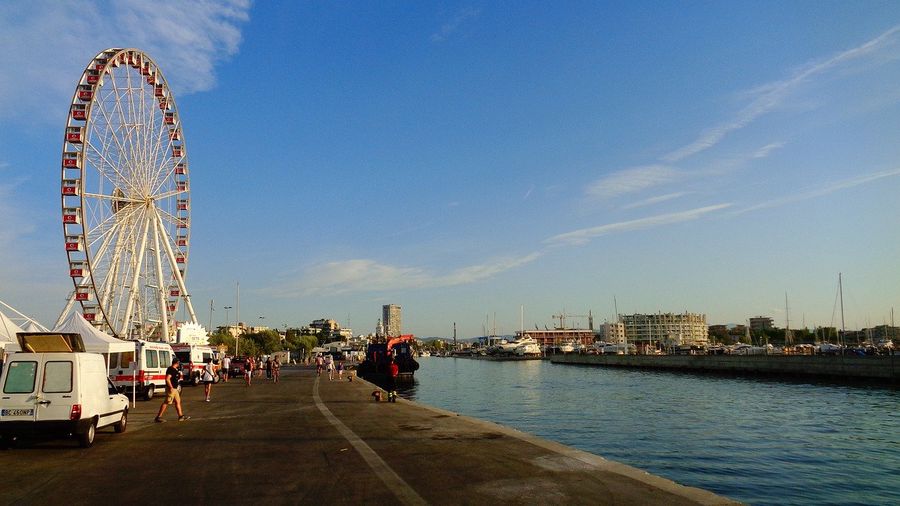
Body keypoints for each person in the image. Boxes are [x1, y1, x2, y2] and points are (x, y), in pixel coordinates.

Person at [156, 357, 188, 422]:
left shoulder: (175, 370)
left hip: (175, 389)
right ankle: (158, 417)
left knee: (177, 401)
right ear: (177, 363)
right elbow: (167, 379)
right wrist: (170, 387)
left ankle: (181, 416)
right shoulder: (171, 369)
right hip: (172, 388)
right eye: (179, 363)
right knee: (167, 402)